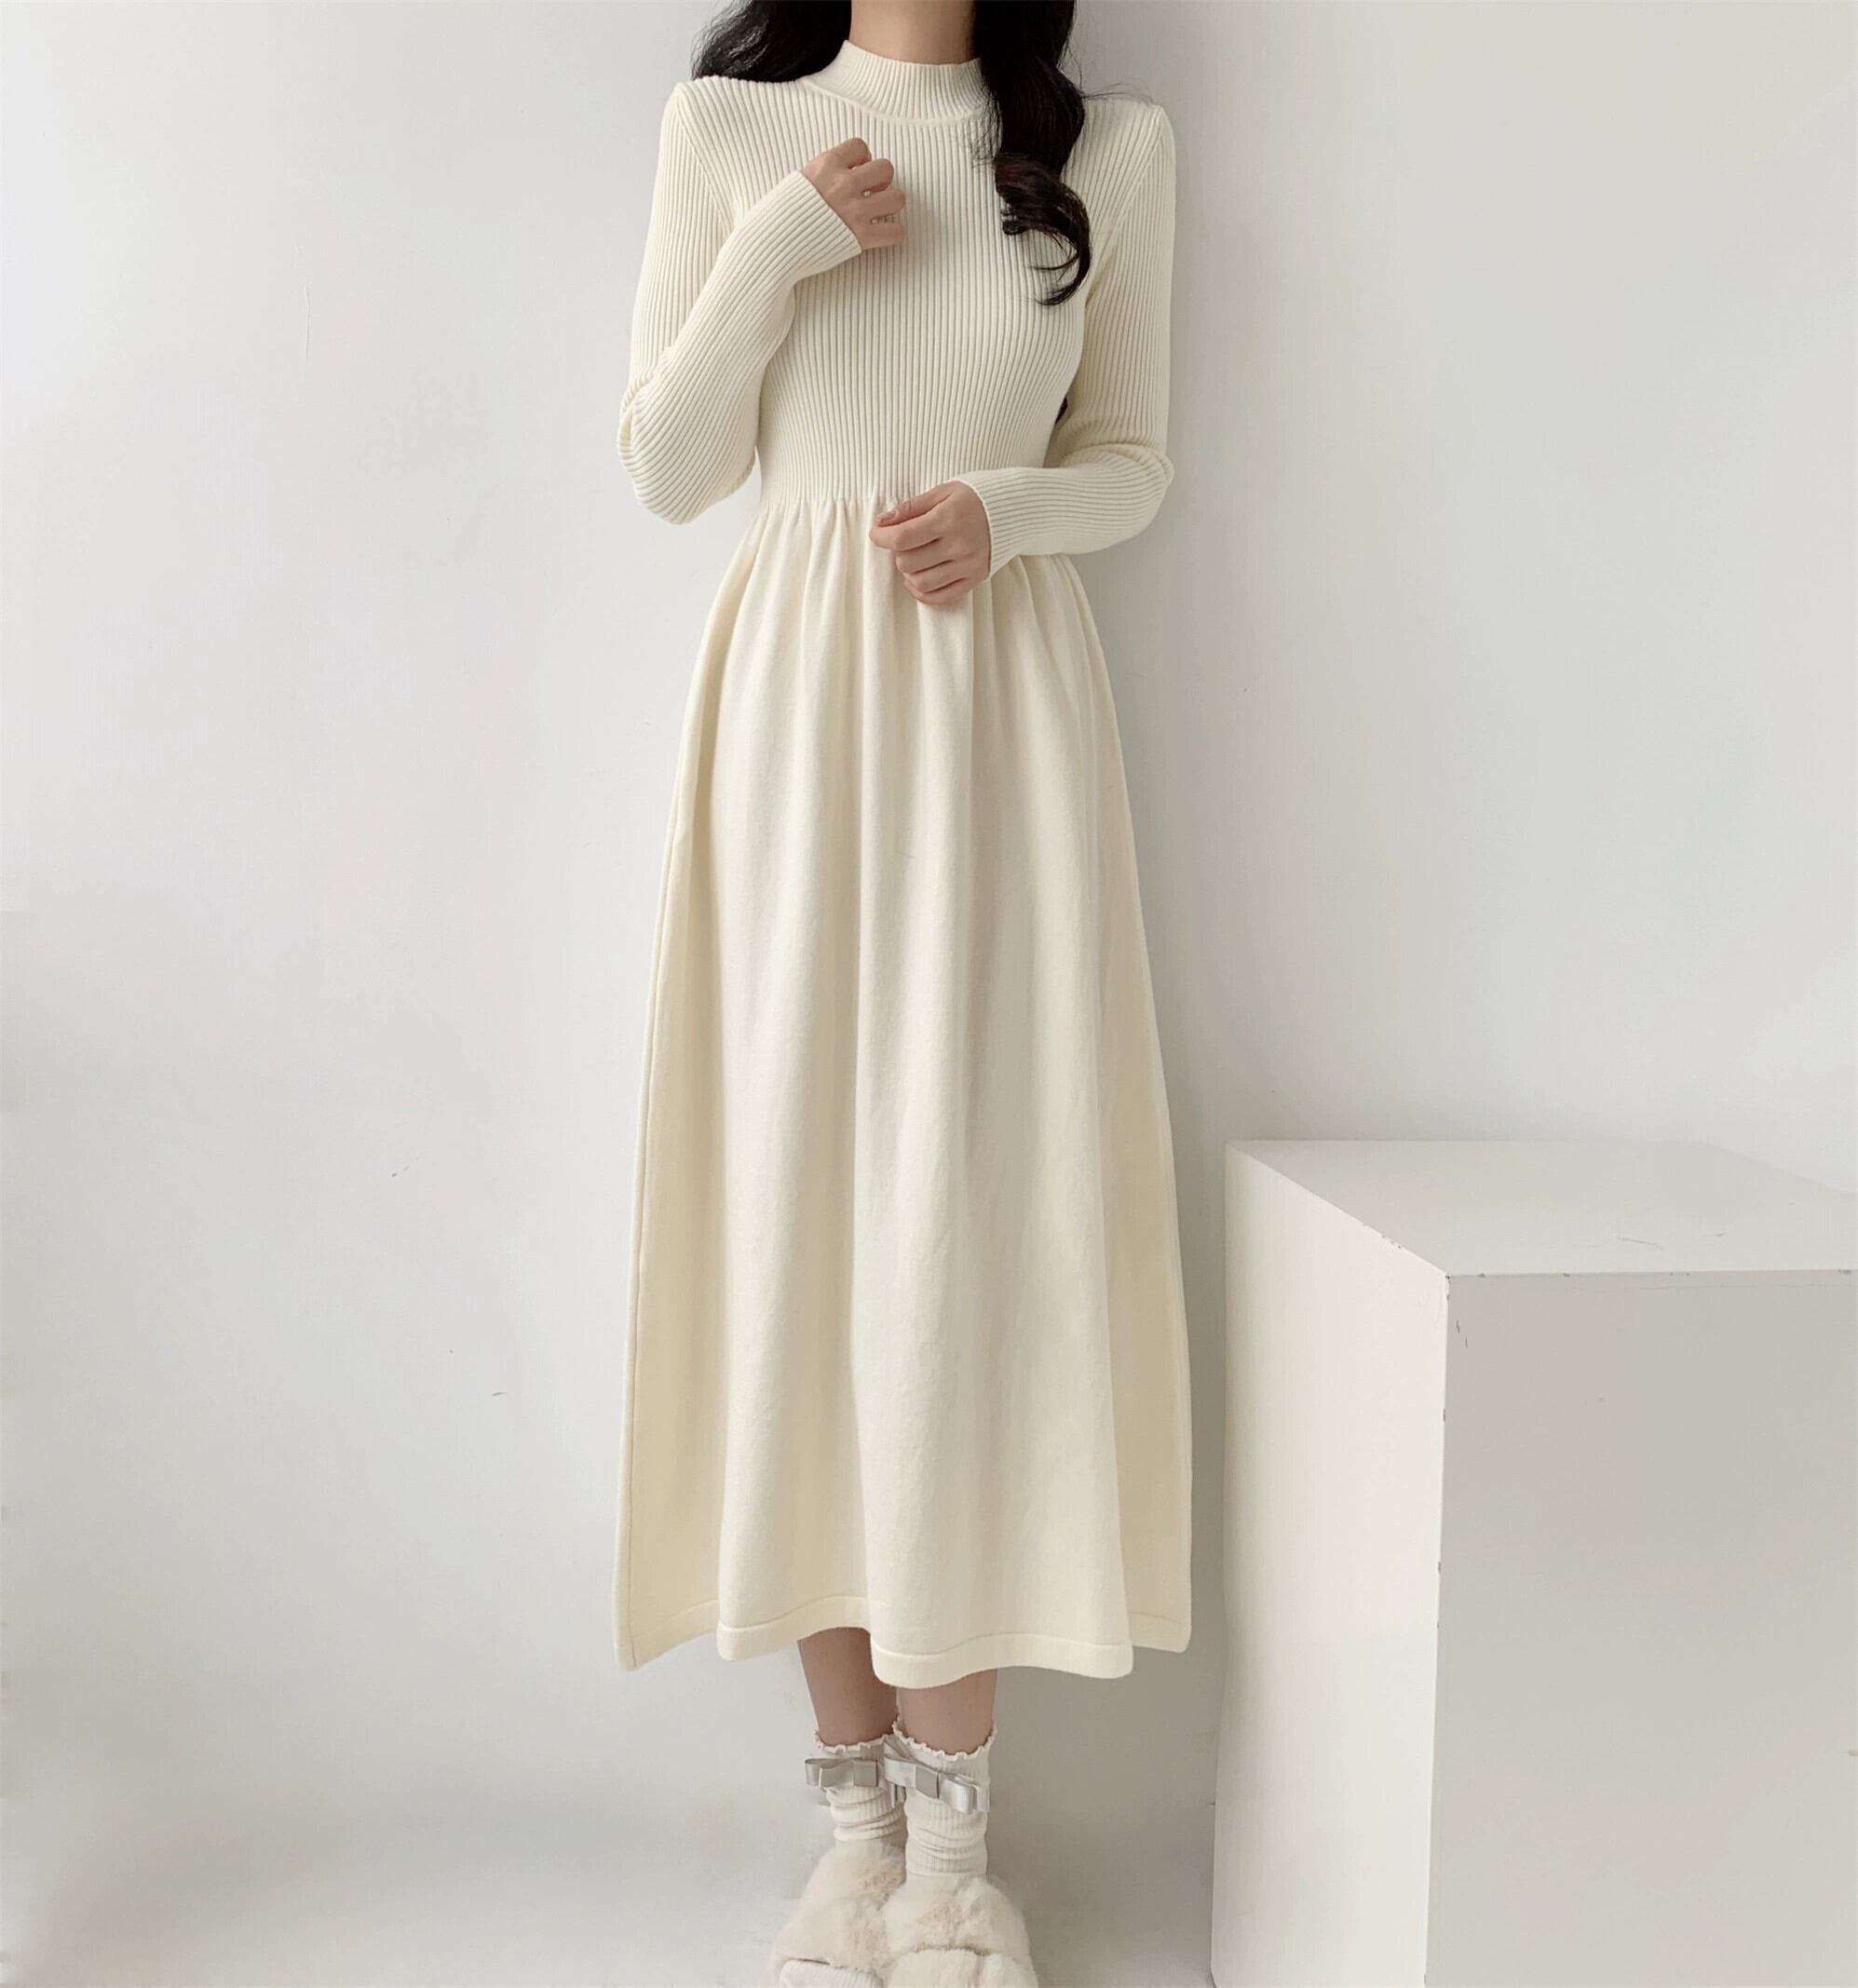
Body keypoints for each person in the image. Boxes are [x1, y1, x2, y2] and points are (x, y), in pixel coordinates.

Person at [613, 1, 1189, 1978]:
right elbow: (666, 463)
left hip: (994, 723)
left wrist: (1006, 514)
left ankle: (955, 1865)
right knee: (802, 1235)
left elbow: (1133, 459)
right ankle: (850, 1844)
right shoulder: (726, 131)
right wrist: (778, 242)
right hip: (794, 729)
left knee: (969, 1243)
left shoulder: (1108, 152)